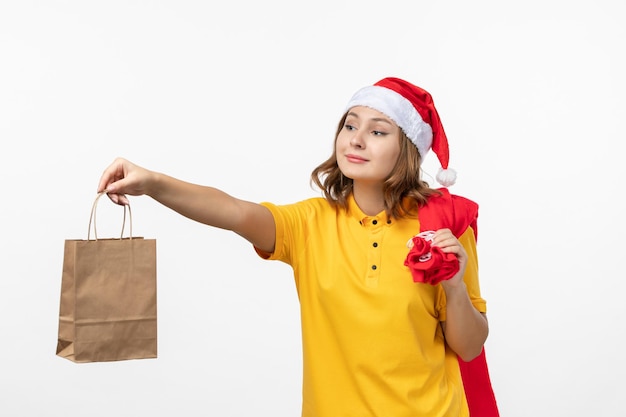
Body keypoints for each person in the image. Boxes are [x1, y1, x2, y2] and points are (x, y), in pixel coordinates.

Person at [98, 77, 493, 416]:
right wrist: (152, 183)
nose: (356, 140)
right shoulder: (311, 224)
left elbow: (470, 347)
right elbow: (233, 211)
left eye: (377, 131)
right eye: (349, 126)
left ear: (406, 149)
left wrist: (454, 285)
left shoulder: (442, 229)